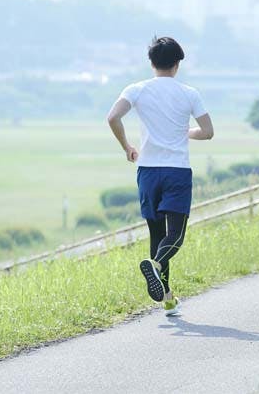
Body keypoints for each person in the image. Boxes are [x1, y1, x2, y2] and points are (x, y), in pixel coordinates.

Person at [106, 36, 214, 316]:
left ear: (151, 63)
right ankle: (155, 267)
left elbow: (112, 118)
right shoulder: (189, 93)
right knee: (174, 236)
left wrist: (127, 147)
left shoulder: (137, 89)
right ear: (177, 64)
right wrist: (186, 132)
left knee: (157, 234)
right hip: (177, 171)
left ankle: (167, 298)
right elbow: (208, 132)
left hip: (147, 171)